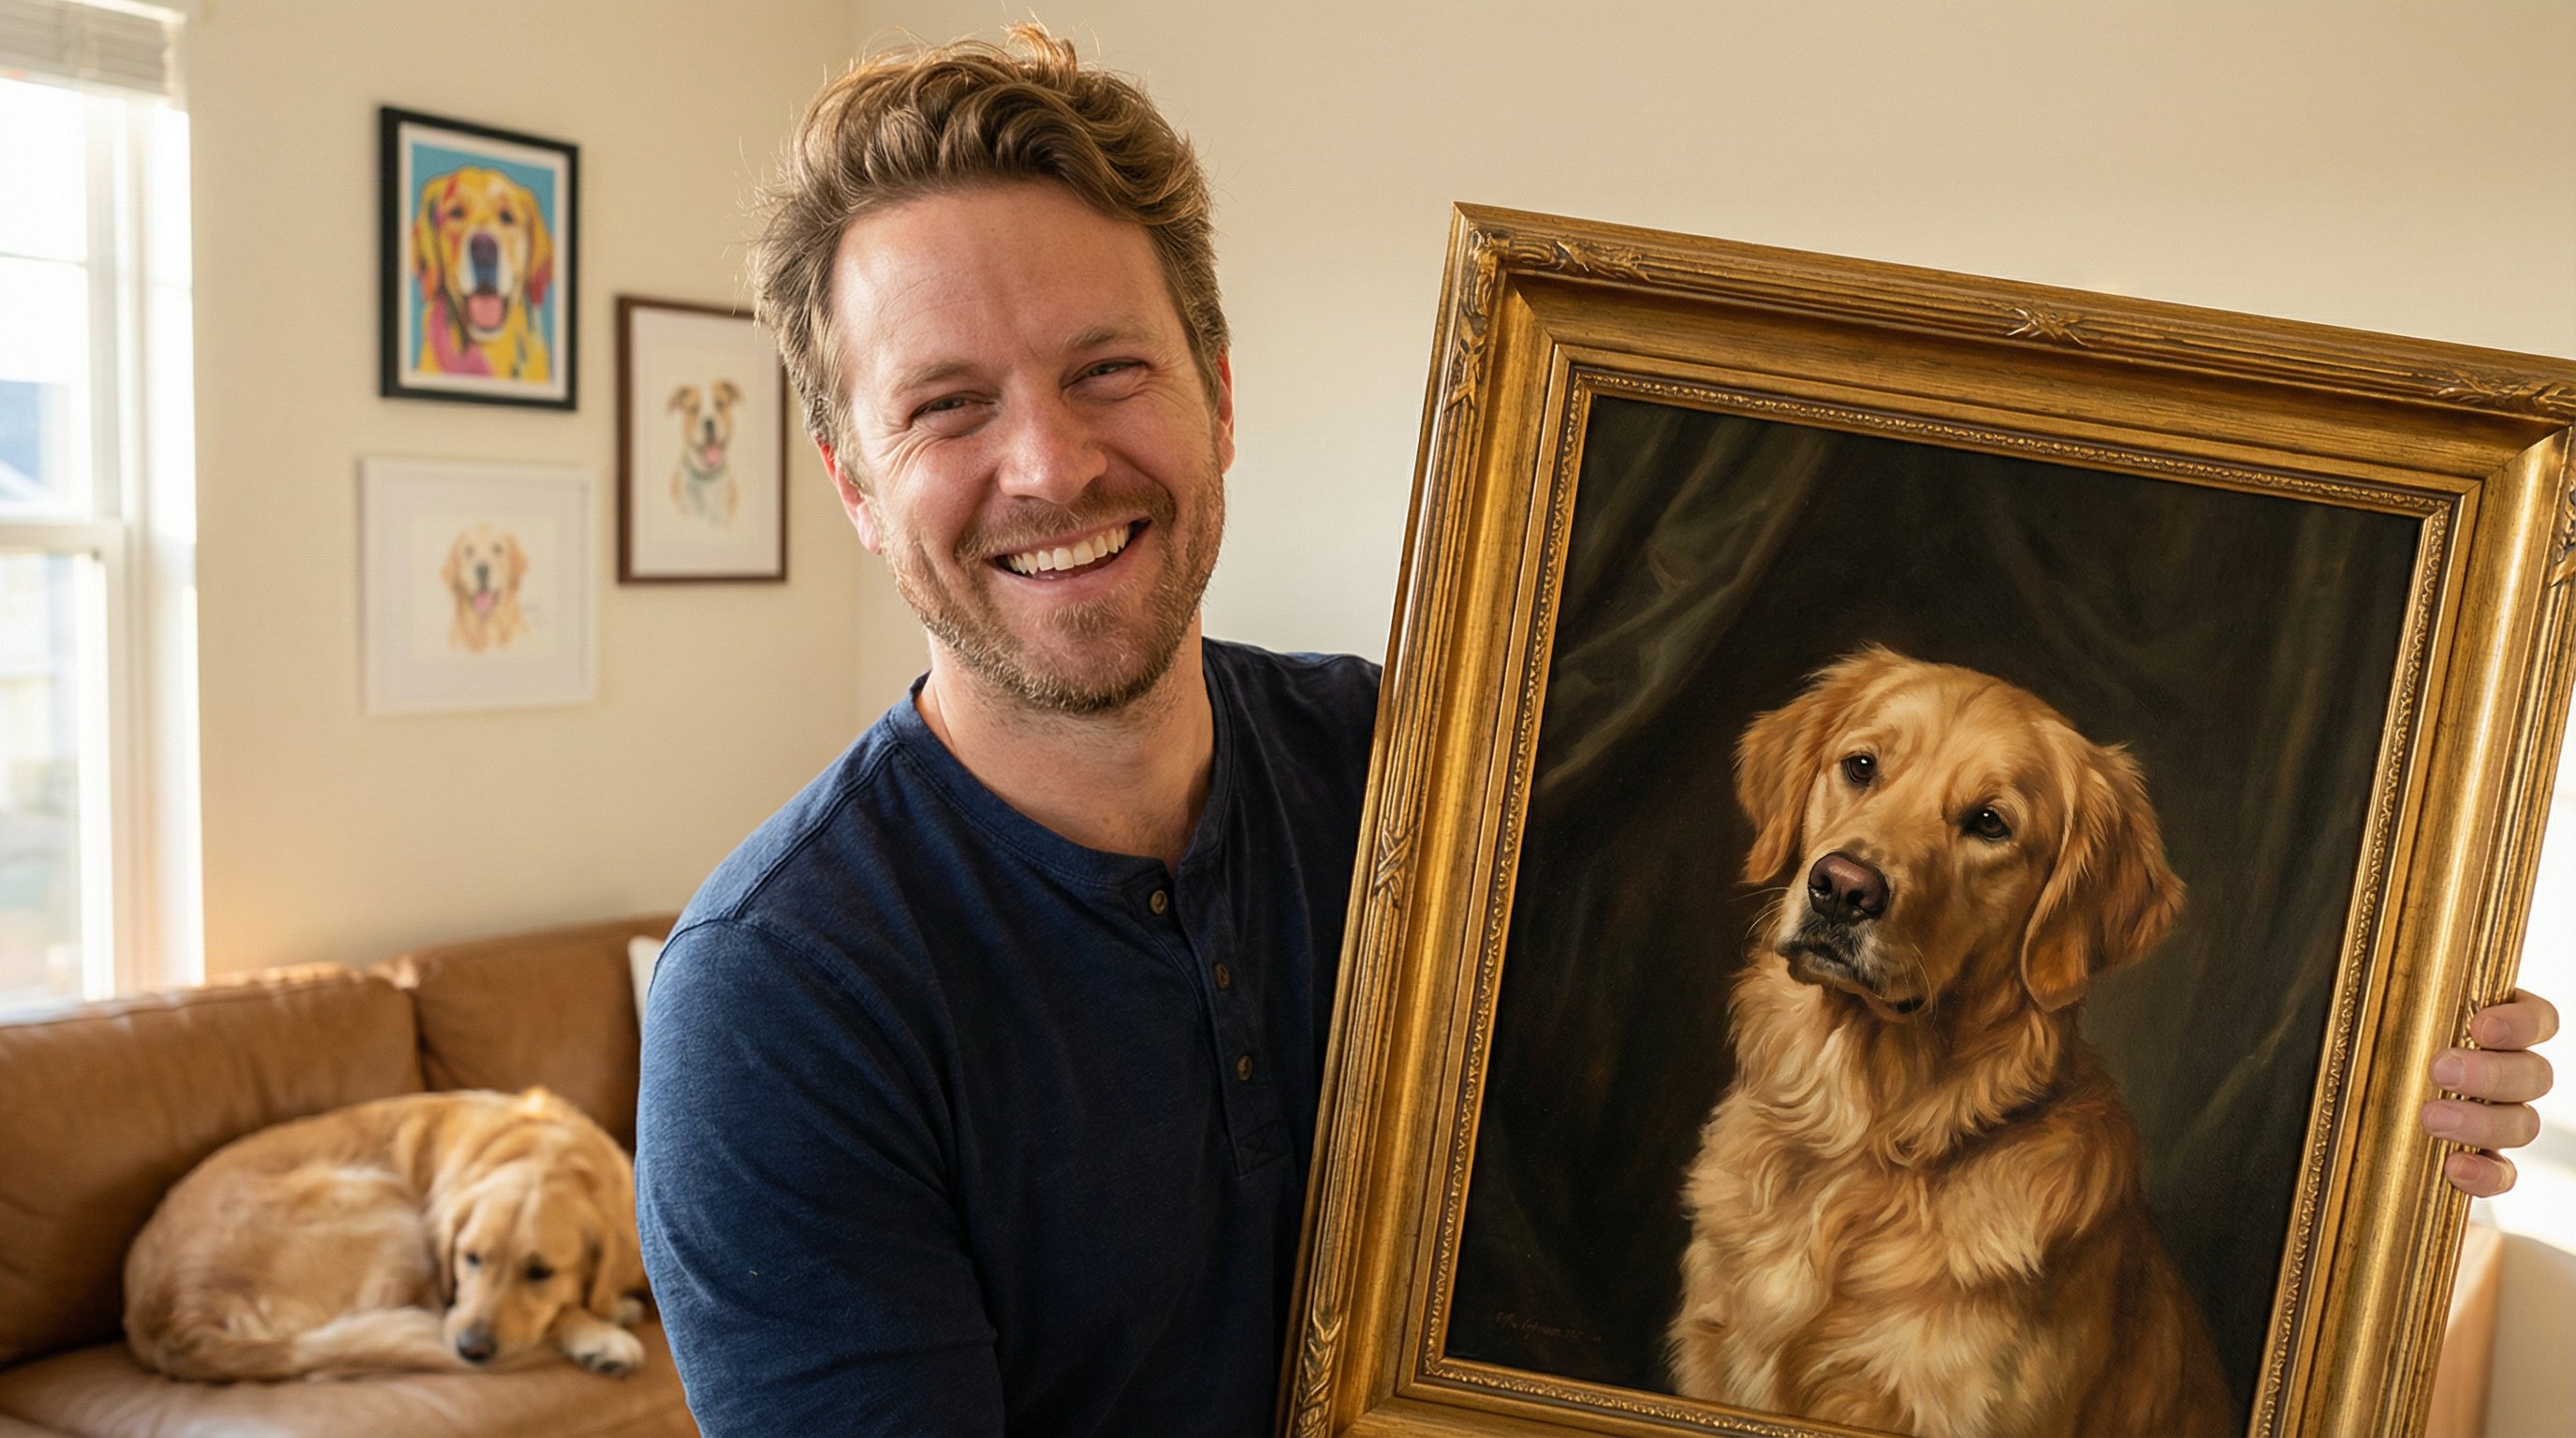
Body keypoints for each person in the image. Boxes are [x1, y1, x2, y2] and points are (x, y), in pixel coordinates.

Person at [634, 27, 2559, 1438]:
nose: (1049, 462)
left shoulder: (1428, 767)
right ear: (851, 484)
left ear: (1218, 397)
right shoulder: (779, 1000)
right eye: (945, 407)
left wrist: (2383, 1089)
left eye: (1105, 367)